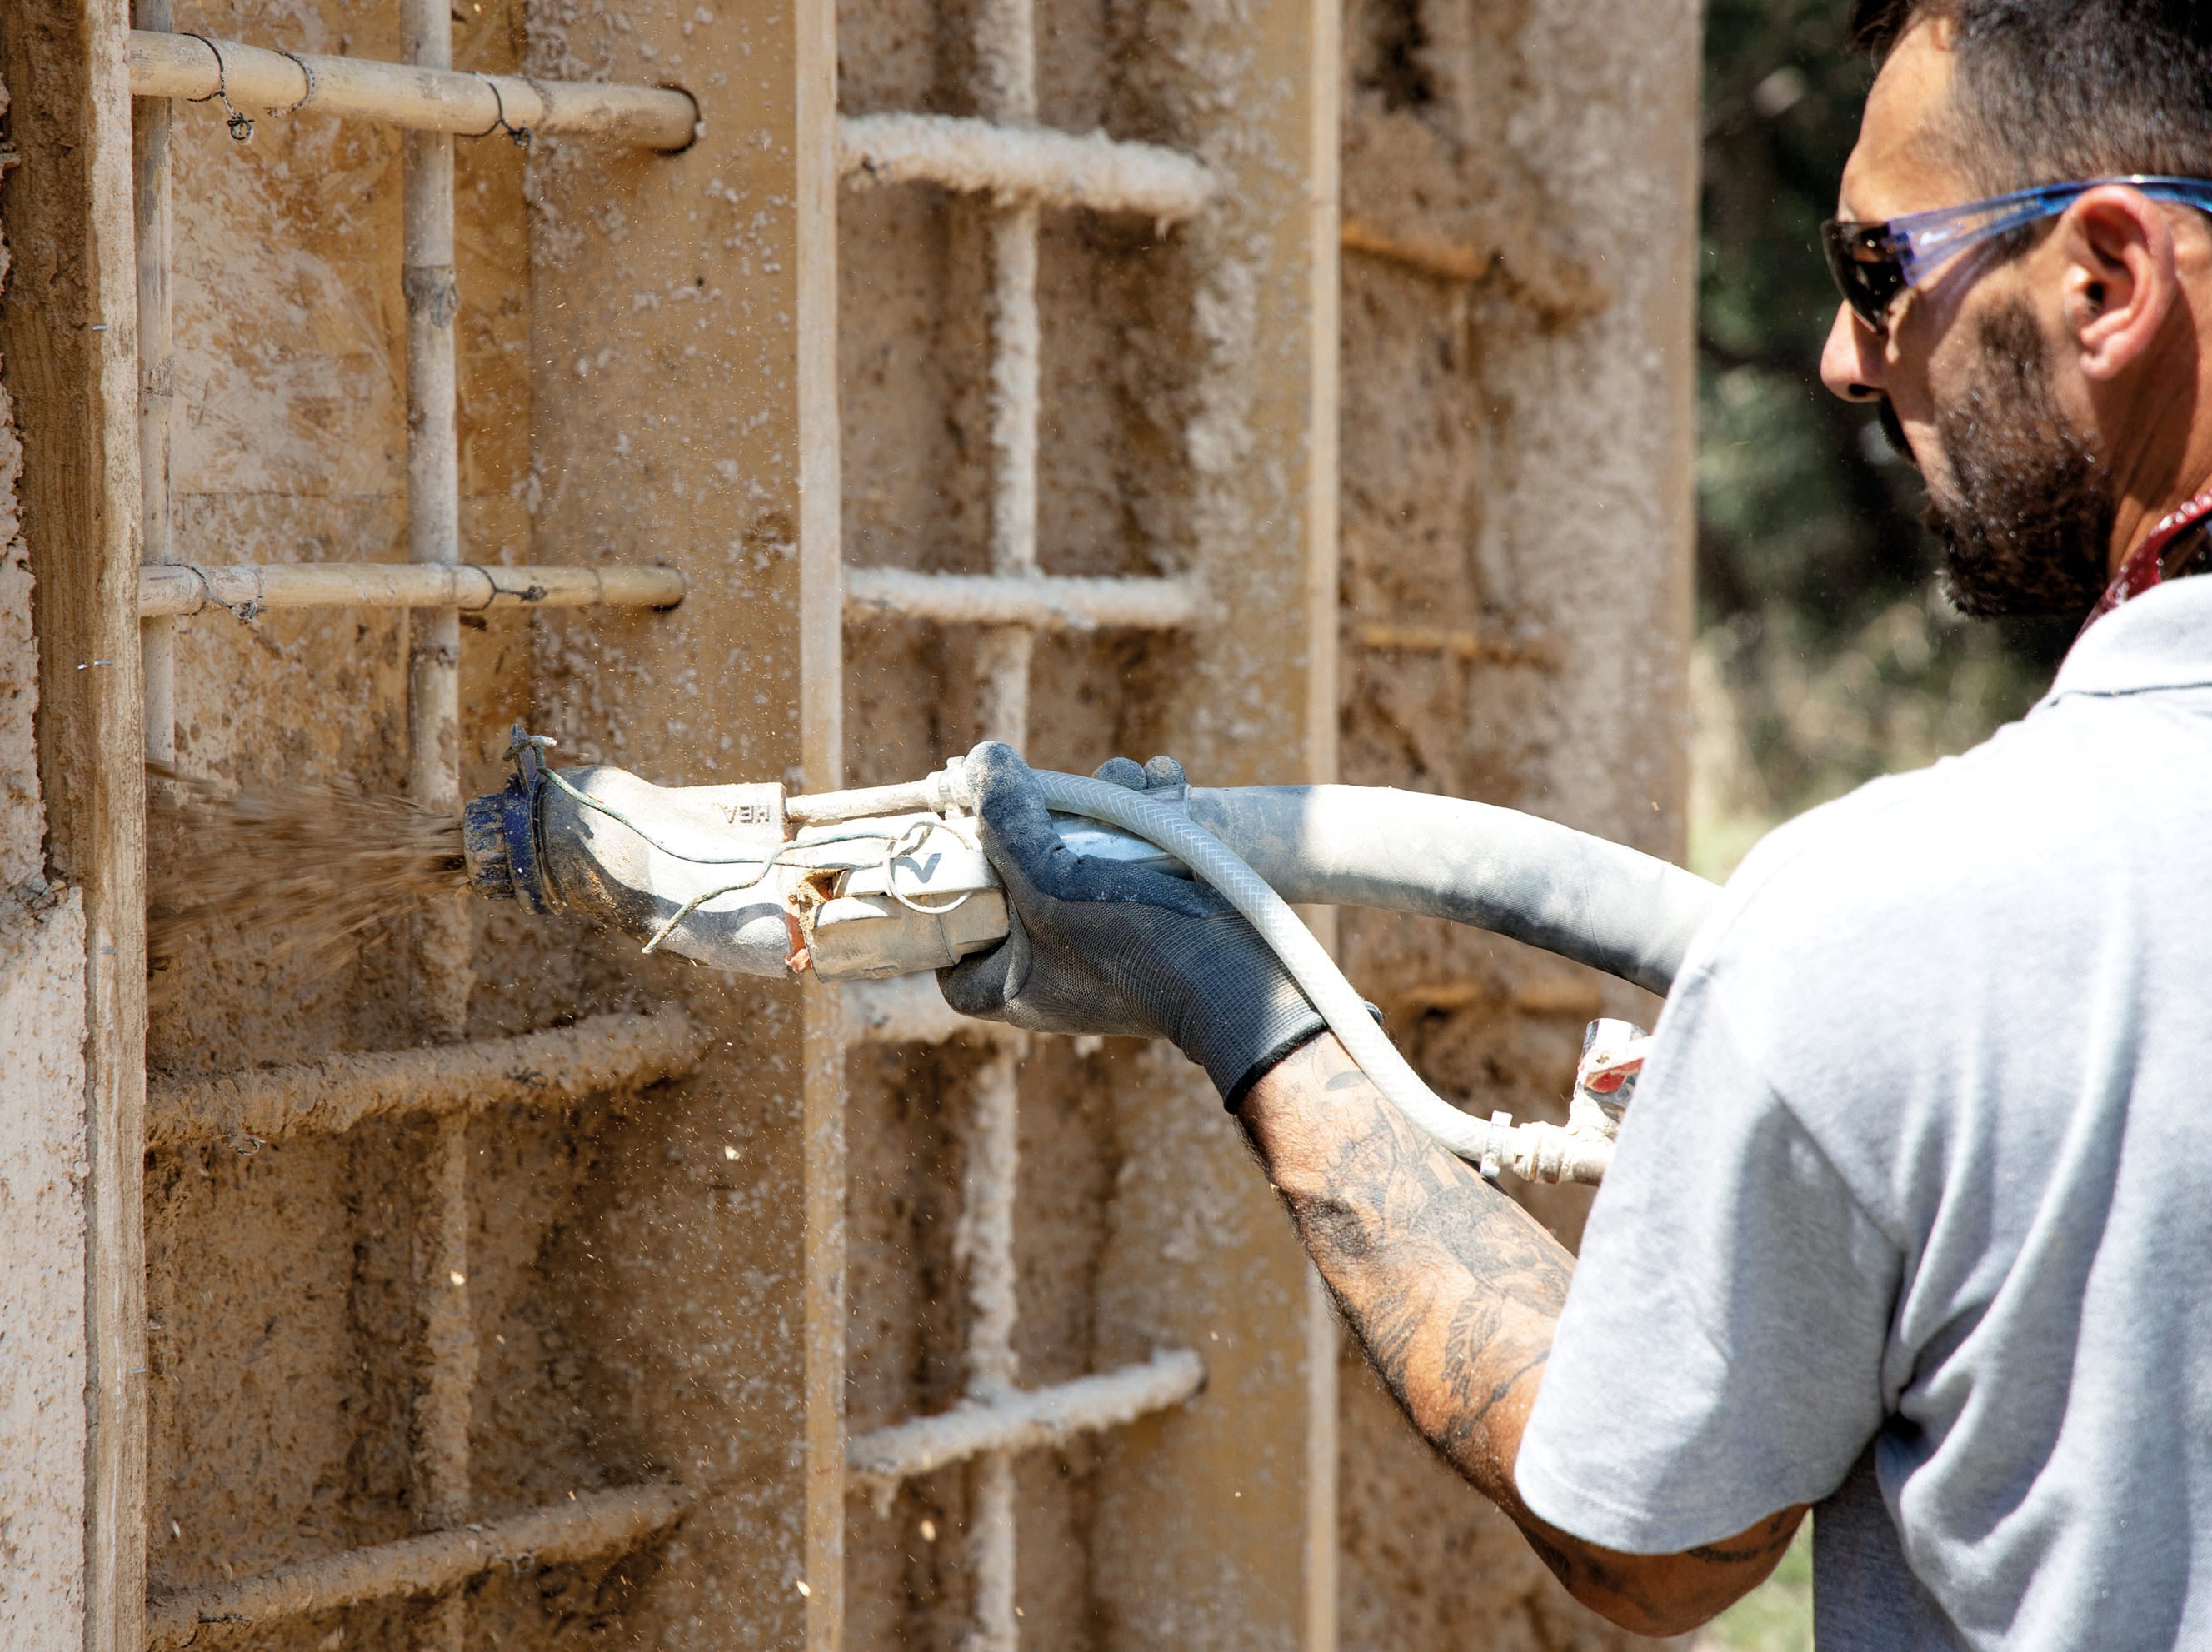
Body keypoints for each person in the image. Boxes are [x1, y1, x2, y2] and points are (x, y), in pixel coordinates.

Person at [938, 2, 2212, 1644]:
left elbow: (1652, 1543)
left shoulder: (1902, 921)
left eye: (1881, 267)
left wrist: (1237, 1004)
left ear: (2103, 279)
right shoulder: (1887, 948)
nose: (1845, 353)